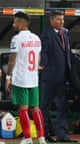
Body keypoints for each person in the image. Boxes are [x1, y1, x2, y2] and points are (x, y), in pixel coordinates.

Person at [5, 11, 46, 144]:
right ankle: (41, 137)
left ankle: (27, 138)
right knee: (35, 108)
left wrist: (8, 77)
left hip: (20, 78)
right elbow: (38, 58)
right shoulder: (36, 38)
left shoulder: (16, 39)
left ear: (21, 23)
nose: (13, 24)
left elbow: (12, 60)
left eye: (15, 21)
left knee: (23, 109)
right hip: (33, 79)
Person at [39, 11, 77, 143]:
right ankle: (43, 135)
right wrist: (42, 64)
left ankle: (62, 135)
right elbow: (43, 52)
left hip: (63, 77)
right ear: (51, 21)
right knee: (45, 107)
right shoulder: (46, 34)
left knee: (63, 107)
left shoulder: (65, 33)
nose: (62, 22)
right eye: (59, 20)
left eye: (63, 20)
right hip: (49, 77)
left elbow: (68, 53)